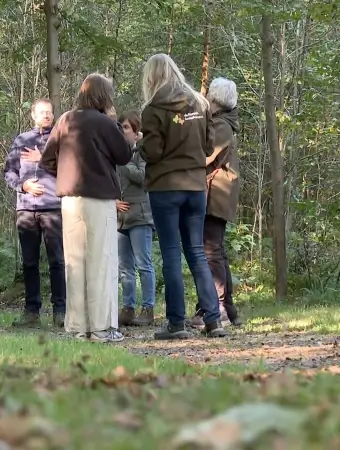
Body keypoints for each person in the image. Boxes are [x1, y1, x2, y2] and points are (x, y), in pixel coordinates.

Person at [138, 53, 228, 339]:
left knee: (171, 254)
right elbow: (207, 146)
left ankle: (176, 323)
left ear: (152, 77)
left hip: (165, 187)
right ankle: (213, 321)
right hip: (195, 186)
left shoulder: (153, 108)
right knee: (197, 252)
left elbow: (153, 152)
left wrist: (141, 145)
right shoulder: (200, 104)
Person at [39, 73, 132, 343]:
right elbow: (124, 155)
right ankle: (102, 328)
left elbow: (47, 160)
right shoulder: (105, 123)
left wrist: (66, 173)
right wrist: (114, 122)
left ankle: (77, 328)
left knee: (75, 262)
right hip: (99, 198)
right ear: (104, 96)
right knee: (101, 261)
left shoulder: (65, 119)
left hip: (69, 200)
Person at [3, 98, 66, 329]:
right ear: (33, 115)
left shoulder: (59, 140)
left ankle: (61, 311)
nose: (46, 116)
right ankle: (31, 313)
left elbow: (70, 169)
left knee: (57, 261)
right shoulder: (22, 140)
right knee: (29, 262)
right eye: (42, 112)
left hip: (53, 207)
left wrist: (44, 159)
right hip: (26, 209)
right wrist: (23, 186)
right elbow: (8, 171)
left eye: (49, 112)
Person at [189, 77, 243, 328]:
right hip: (216, 193)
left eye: (209, 96)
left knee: (210, 251)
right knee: (215, 250)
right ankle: (227, 308)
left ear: (216, 100)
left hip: (216, 194)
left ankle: (216, 307)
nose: (207, 99)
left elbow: (205, 156)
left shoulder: (221, 126)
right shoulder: (223, 123)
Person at [116, 110, 157, 327]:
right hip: (120, 217)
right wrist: (113, 201)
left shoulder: (143, 153)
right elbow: (109, 181)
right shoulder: (114, 155)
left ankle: (148, 309)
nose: (123, 132)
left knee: (144, 264)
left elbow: (143, 178)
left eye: (126, 128)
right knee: (125, 266)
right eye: (120, 128)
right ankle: (128, 308)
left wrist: (124, 162)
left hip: (140, 214)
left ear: (136, 132)